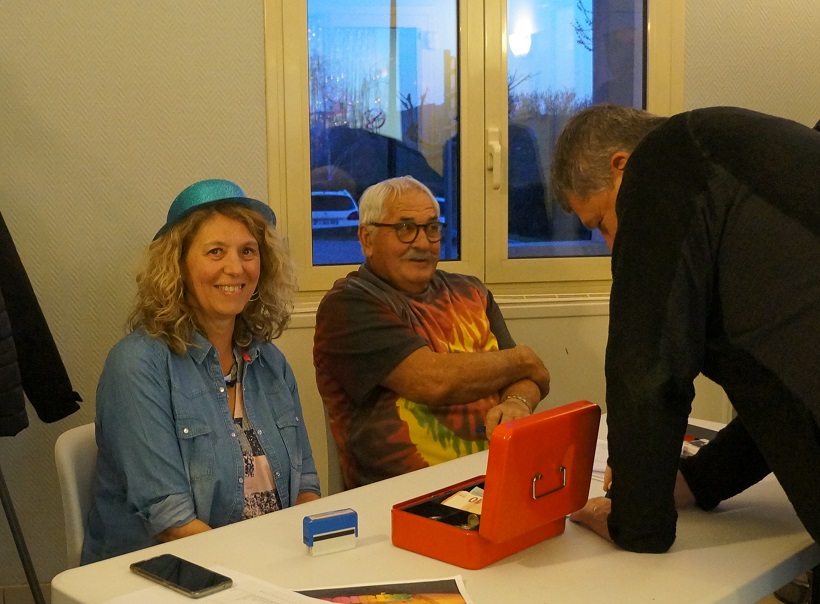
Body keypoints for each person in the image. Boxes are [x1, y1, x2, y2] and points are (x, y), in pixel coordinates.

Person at [549, 104, 820, 552]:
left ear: (622, 166)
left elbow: (647, 369)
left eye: (602, 224)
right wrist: (696, 481)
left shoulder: (661, 162)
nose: (613, 246)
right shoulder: (748, 162)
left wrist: (634, 519)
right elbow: (780, 394)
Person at [82, 179, 320, 563]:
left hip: (270, 566)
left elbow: (305, 484)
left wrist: (307, 557)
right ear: (177, 265)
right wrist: (264, 569)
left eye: (248, 251)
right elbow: (171, 521)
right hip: (167, 574)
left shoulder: (270, 362)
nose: (235, 268)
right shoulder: (137, 365)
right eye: (215, 252)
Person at [313, 175, 550, 489]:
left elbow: (527, 378)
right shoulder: (347, 305)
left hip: (497, 479)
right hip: (402, 498)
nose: (423, 243)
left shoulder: (471, 291)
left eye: (432, 228)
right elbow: (432, 381)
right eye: (405, 228)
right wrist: (523, 359)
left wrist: (517, 402)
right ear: (367, 239)